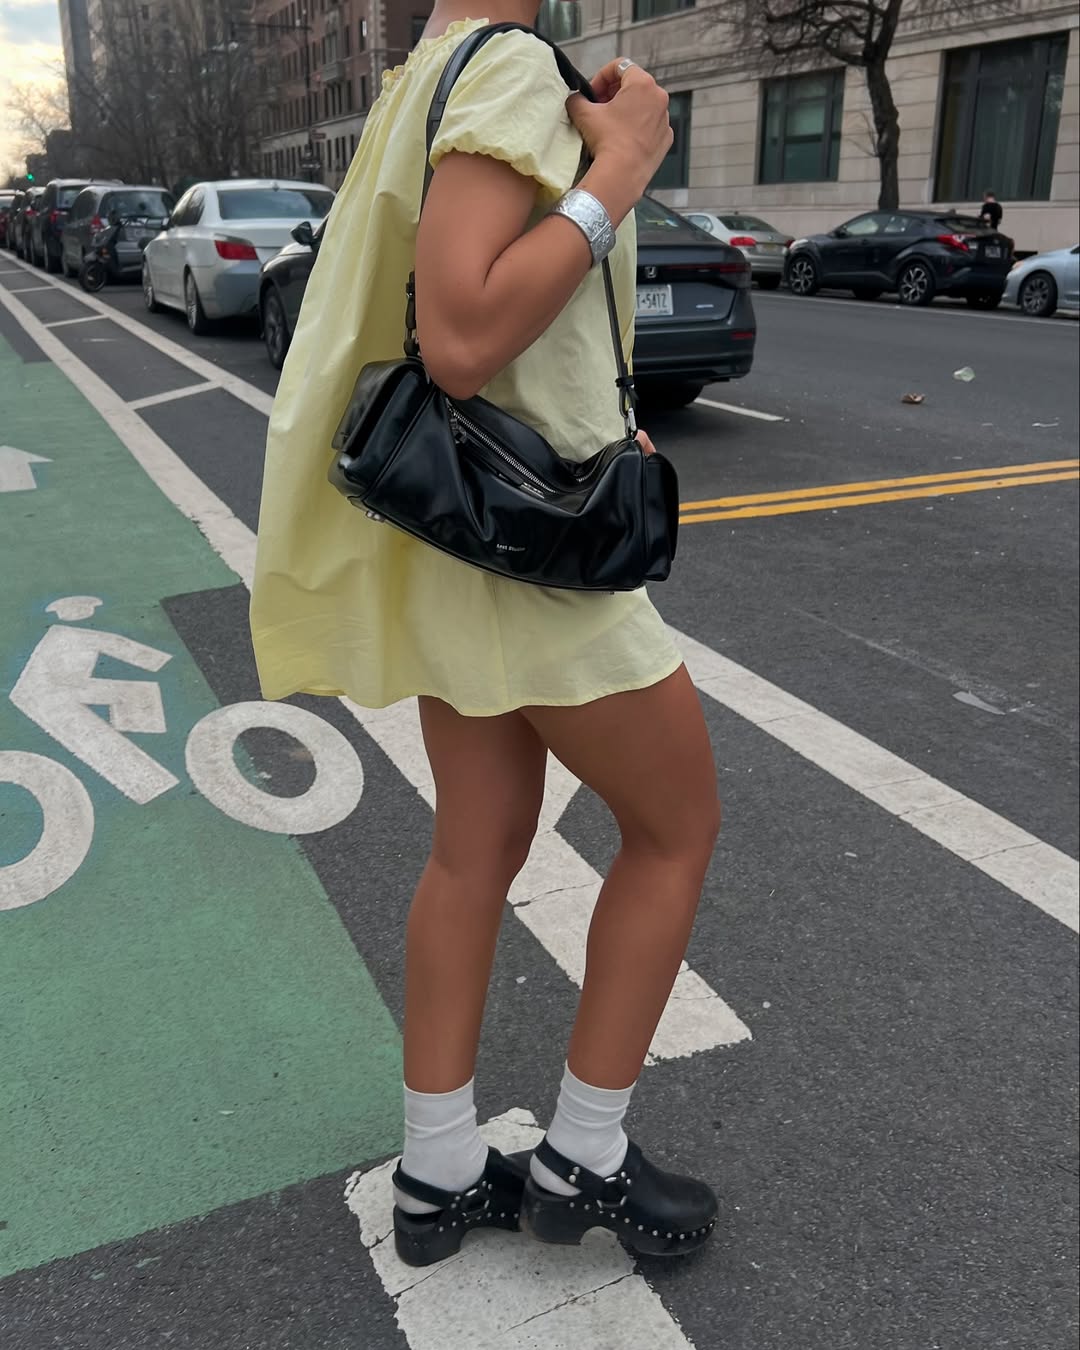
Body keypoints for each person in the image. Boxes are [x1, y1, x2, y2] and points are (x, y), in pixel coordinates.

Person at [250, 0, 721, 1269]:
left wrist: (593, 399)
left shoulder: (424, 77)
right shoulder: (515, 71)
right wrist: (619, 169)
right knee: (677, 829)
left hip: (460, 537)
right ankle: (586, 1154)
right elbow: (461, 333)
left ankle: (441, 1168)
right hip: (539, 555)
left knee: (476, 847)